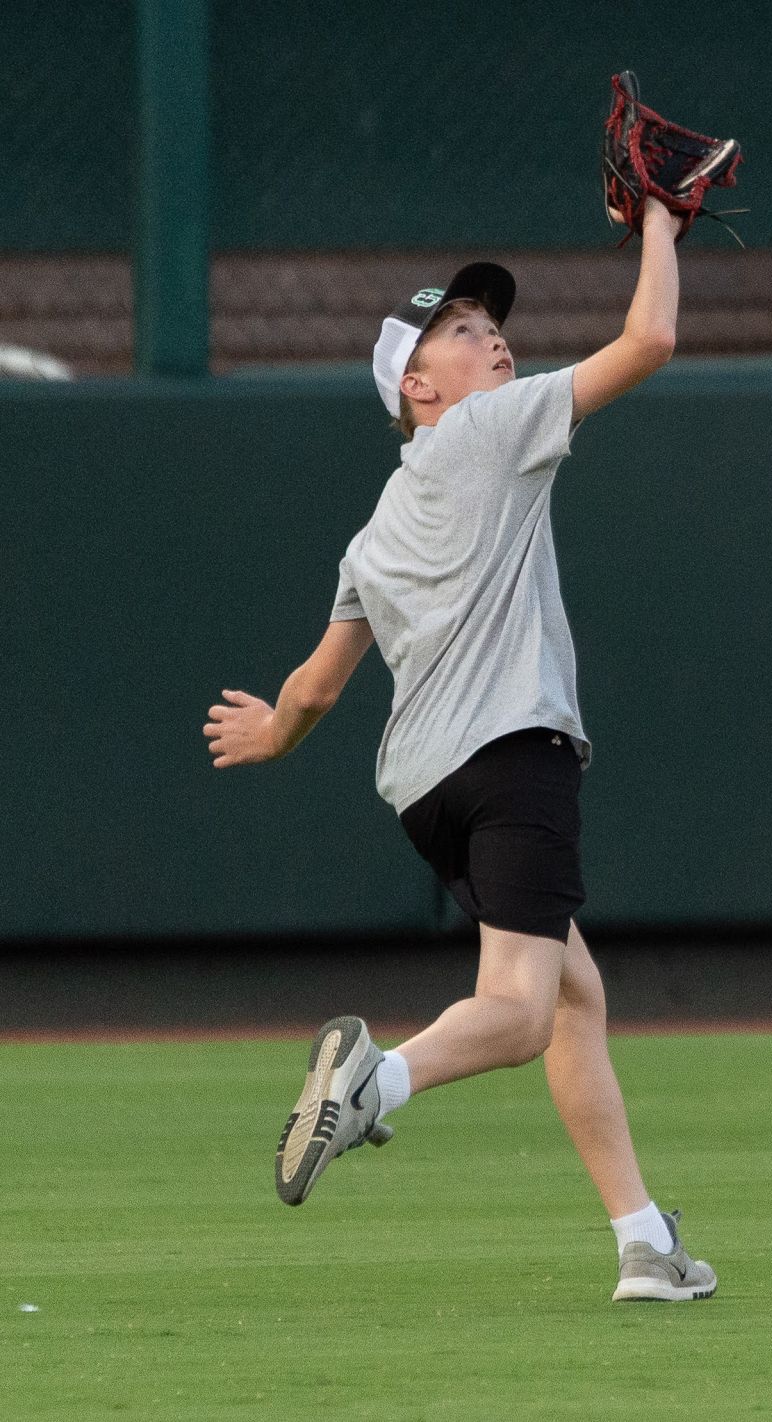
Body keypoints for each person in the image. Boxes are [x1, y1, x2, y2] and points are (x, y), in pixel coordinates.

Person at [203, 196, 715, 1302]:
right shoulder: (488, 430)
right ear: (419, 389)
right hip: (514, 755)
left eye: (491, 324)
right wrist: (660, 226)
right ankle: (372, 1085)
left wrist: (272, 733)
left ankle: (644, 1244)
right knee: (520, 1011)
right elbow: (652, 341)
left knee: (573, 999)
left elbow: (317, 685)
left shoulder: (375, 531)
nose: (494, 338)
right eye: (461, 331)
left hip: (429, 795)